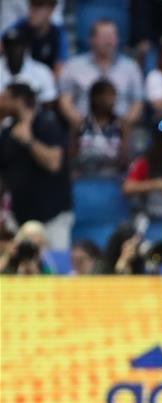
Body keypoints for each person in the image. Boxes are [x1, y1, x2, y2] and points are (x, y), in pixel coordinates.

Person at [0, 84, 71, 250]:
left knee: (55, 267)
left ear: (18, 100)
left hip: (53, 216)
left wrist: (29, 141)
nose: (0, 102)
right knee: (20, 267)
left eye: (5, 98)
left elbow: (54, 164)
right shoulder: (7, 132)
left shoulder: (47, 124)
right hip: (20, 217)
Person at [58, 20, 143, 130]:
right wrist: (82, 125)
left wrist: (124, 126)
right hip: (83, 130)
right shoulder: (73, 66)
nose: (108, 41)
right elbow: (65, 101)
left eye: (112, 36)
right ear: (92, 40)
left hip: (121, 131)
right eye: (104, 36)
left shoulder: (131, 67)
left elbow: (138, 103)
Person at [70, 79, 129, 180]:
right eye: (109, 95)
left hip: (113, 179)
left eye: (114, 95)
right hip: (84, 179)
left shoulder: (122, 125)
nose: (113, 100)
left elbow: (126, 159)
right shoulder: (80, 125)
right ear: (96, 98)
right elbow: (71, 157)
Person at [6, 0, 68, 76]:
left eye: (37, 8)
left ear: (50, 10)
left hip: (45, 81)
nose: (32, 12)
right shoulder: (20, 26)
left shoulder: (58, 33)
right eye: (31, 7)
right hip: (18, 76)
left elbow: (60, 67)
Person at [0, 27, 57, 106]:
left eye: (17, 45)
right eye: (9, 45)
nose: (13, 50)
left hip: (34, 116)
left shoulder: (42, 71)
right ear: (4, 48)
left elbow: (49, 101)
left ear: (25, 47)